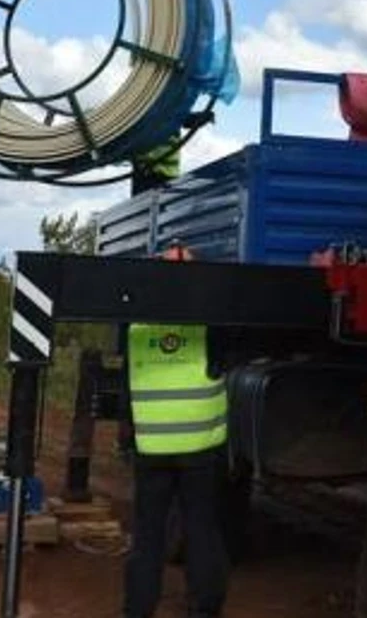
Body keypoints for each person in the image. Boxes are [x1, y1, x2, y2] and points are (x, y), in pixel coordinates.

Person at [122, 241, 232, 618]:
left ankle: (138, 610)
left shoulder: (136, 321)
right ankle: (205, 608)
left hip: (152, 445)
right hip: (199, 445)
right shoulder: (209, 320)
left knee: (148, 535)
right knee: (201, 527)